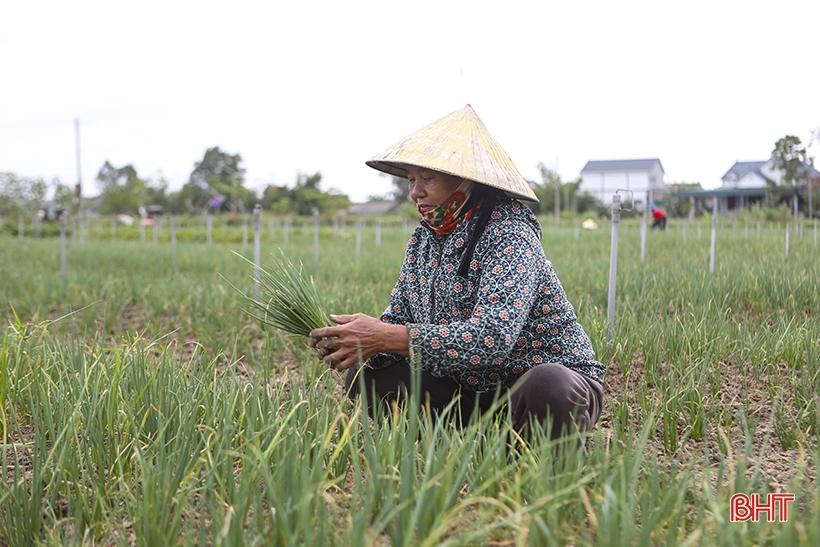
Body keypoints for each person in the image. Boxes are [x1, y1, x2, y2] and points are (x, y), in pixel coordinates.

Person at [309, 105, 605, 440]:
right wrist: (355, 342)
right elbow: (397, 317)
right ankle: (462, 448)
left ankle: (526, 451)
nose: (416, 192)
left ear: (465, 181)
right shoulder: (424, 239)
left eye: (428, 179)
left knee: (549, 385)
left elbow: (492, 338)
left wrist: (382, 337)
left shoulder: (509, 234)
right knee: (369, 377)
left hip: (533, 385)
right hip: (469, 388)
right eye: (411, 180)